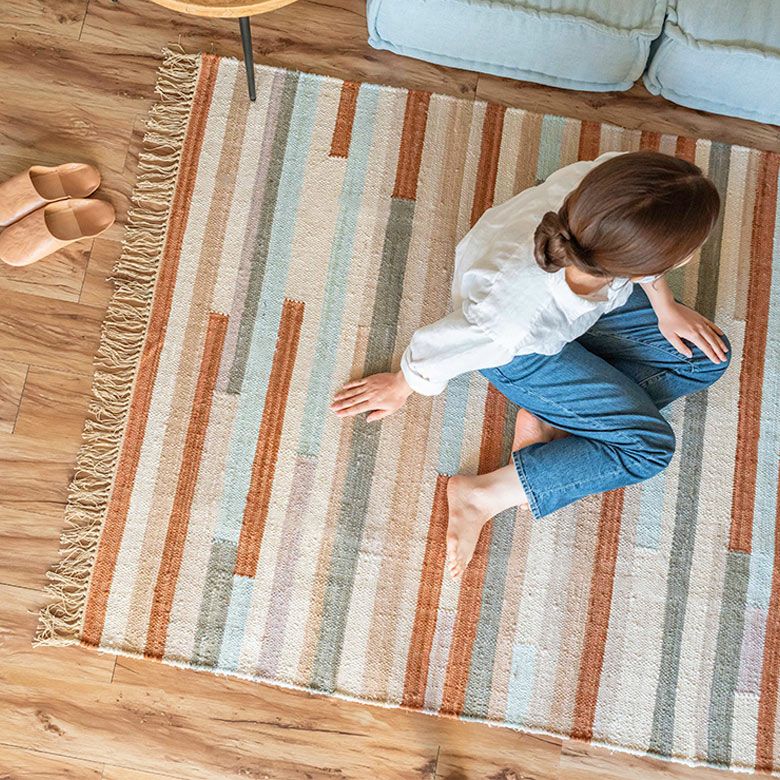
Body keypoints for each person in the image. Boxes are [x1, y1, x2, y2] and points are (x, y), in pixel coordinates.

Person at [330, 150, 729, 581]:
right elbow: (449, 343)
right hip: (523, 355)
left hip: (581, 300)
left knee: (706, 357)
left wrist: (665, 307)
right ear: (644, 265)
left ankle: (558, 417)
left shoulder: (602, 192)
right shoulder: (510, 322)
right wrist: (402, 382)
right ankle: (483, 494)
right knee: (647, 448)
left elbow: (640, 260)